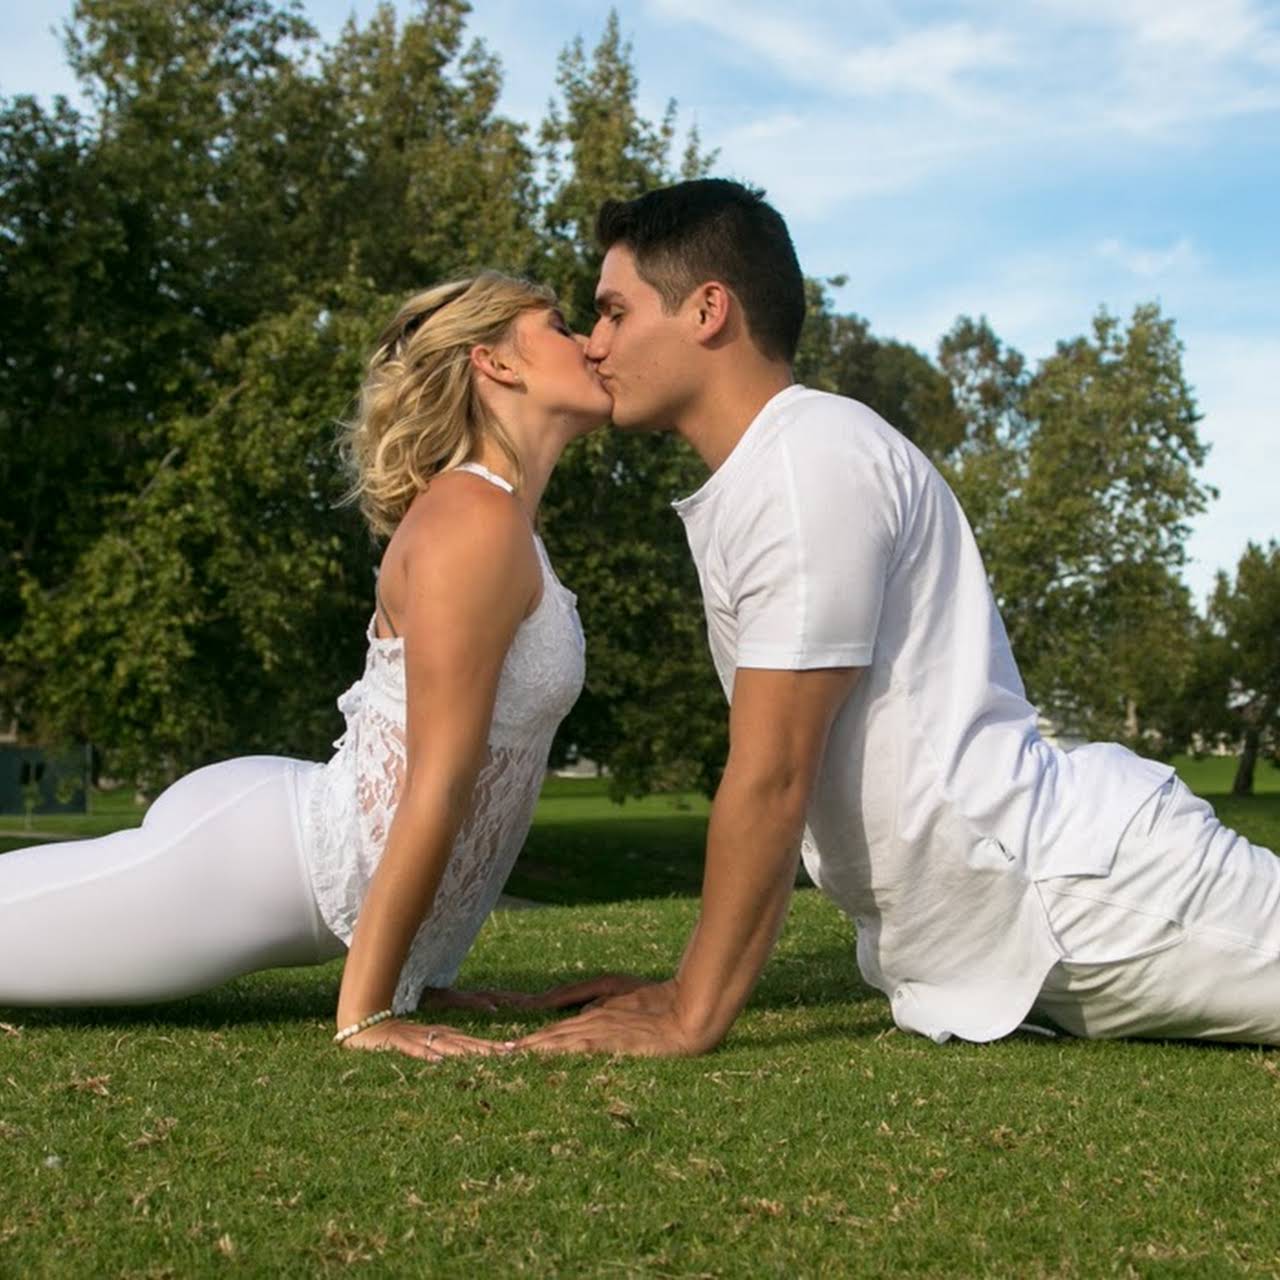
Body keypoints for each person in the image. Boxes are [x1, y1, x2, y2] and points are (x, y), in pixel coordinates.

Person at [518, 179, 1280, 1057]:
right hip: (1030, 925)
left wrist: (692, 1012)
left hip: (1085, 893)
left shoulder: (807, 462)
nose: (595, 342)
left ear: (708, 310)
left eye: (615, 312)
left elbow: (774, 771)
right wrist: (683, 982)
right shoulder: (769, 470)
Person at [0, 272, 640, 1059]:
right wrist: (368, 1015)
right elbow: (437, 779)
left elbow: (481, 787)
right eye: (561, 325)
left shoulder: (502, 520)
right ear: (495, 362)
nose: (592, 343)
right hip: (260, 867)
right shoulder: (474, 517)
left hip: (282, 850)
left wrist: (428, 986)